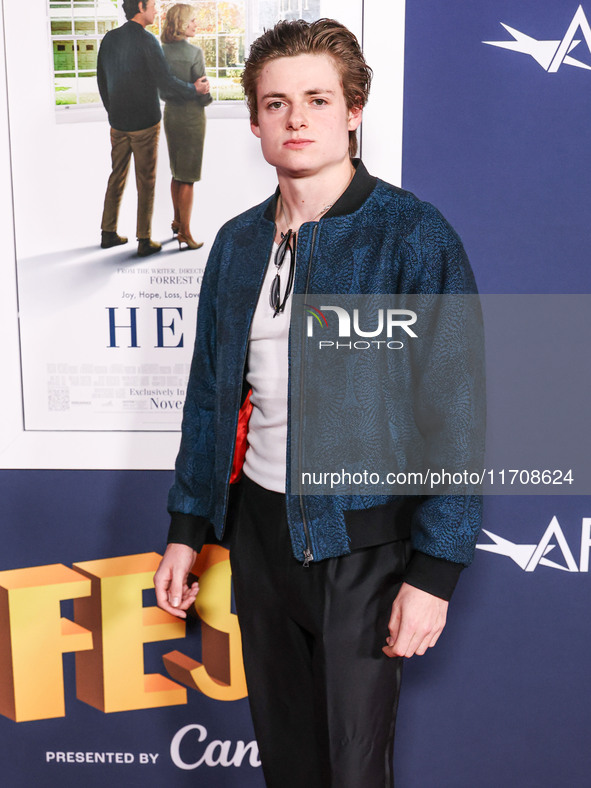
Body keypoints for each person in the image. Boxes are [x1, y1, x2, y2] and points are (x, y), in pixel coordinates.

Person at [154, 18, 482, 787]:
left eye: (316, 99)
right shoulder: (235, 243)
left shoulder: (412, 236)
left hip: (361, 544)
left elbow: (458, 415)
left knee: (351, 768)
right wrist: (185, 528)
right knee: (288, 762)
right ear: (256, 120)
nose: (295, 118)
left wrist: (434, 572)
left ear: (353, 111)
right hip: (259, 536)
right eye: (275, 103)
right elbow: (209, 397)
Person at [97, 0, 211, 257]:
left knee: (117, 176)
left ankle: (108, 232)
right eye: (154, 5)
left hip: (118, 124)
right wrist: (195, 89)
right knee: (145, 181)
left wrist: (112, 112)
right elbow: (166, 82)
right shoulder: (148, 42)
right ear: (140, 6)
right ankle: (144, 239)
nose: (157, 10)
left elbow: (102, 79)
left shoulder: (110, 39)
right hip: (145, 124)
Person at [161, 4, 211, 251]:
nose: (195, 25)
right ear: (181, 24)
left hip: (171, 115)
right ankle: (186, 233)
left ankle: (177, 221)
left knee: (176, 172)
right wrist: (206, 95)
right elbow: (201, 90)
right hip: (191, 118)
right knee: (188, 177)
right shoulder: (194, 53)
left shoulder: (160, 52)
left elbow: (162, 90)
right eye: (191, 21)